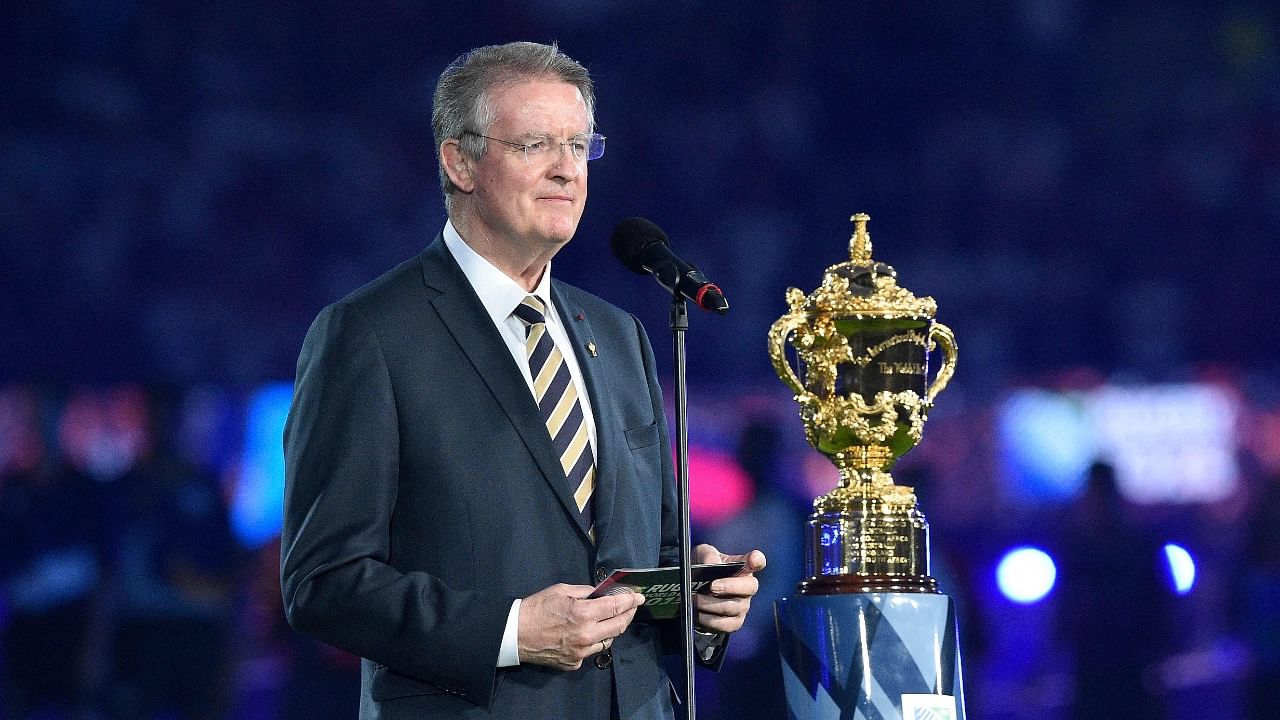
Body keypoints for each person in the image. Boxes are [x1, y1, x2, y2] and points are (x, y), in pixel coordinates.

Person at [280, 41, 765, 719]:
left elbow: (644, 551)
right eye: (537, 143)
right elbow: (323, 583)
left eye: (579, 145)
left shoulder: (619, 334)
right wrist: (510, 633)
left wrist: (699, 600)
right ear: (461, 160)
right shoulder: (369, 336)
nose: (567, 170)